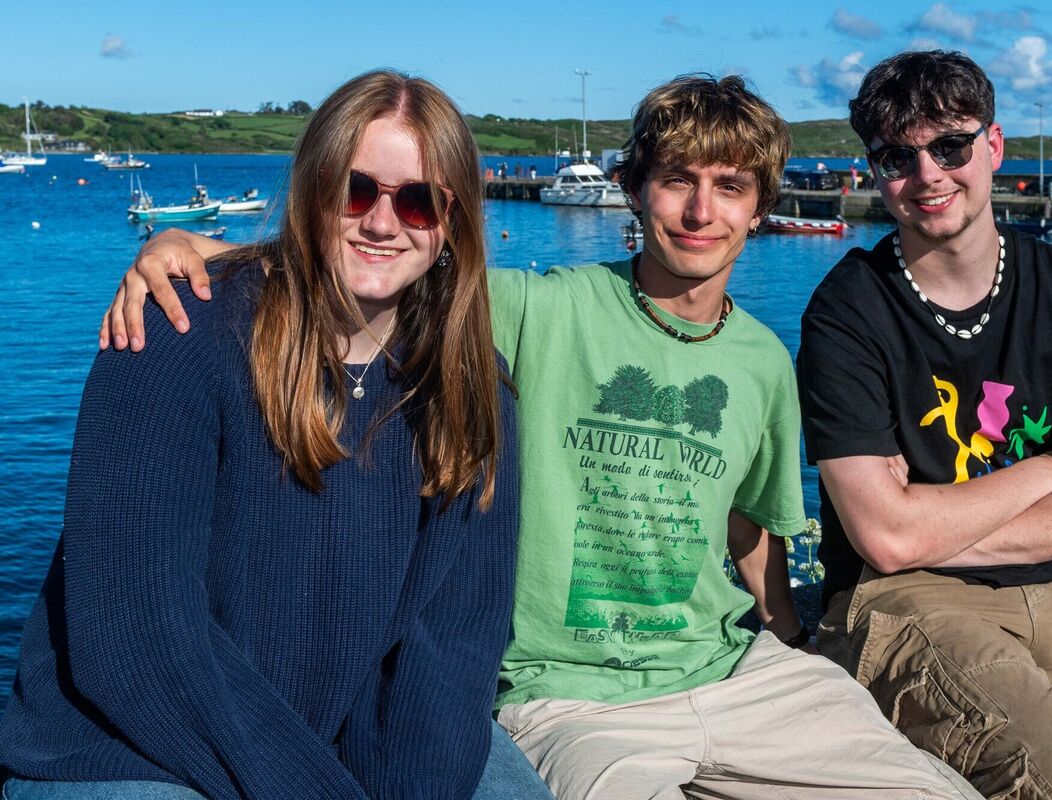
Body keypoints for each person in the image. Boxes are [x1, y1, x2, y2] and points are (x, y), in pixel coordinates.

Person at [96, 74, 983, 800]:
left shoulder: (760, 361)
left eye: (731, 188)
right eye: (677, 178)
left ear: (761, 207)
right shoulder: (538, 311)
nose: (701, 211)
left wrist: (790, 639)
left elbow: (750, 525)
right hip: (572, 693)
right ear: (635, 188)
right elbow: (387, 271)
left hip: (733, 667)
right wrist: (193, 249)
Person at [0, 70, 524, 800]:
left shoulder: (474, 389)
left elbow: (453, 643)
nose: (381, 221)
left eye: (418, 200)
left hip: (334, 734)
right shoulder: (178, 337)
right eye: (355, 189)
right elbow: (136, 633)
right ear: (311, 188)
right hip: (131, 747)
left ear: (454, 223)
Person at [799, 50, 1052, 799]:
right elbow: (887, 542)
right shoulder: (847, 312)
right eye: (897, 156)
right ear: (875, 170)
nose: (928, 176)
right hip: (910, 601)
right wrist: (1051, 470)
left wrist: (923, 520)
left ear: (994, 146)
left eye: (950, 145)